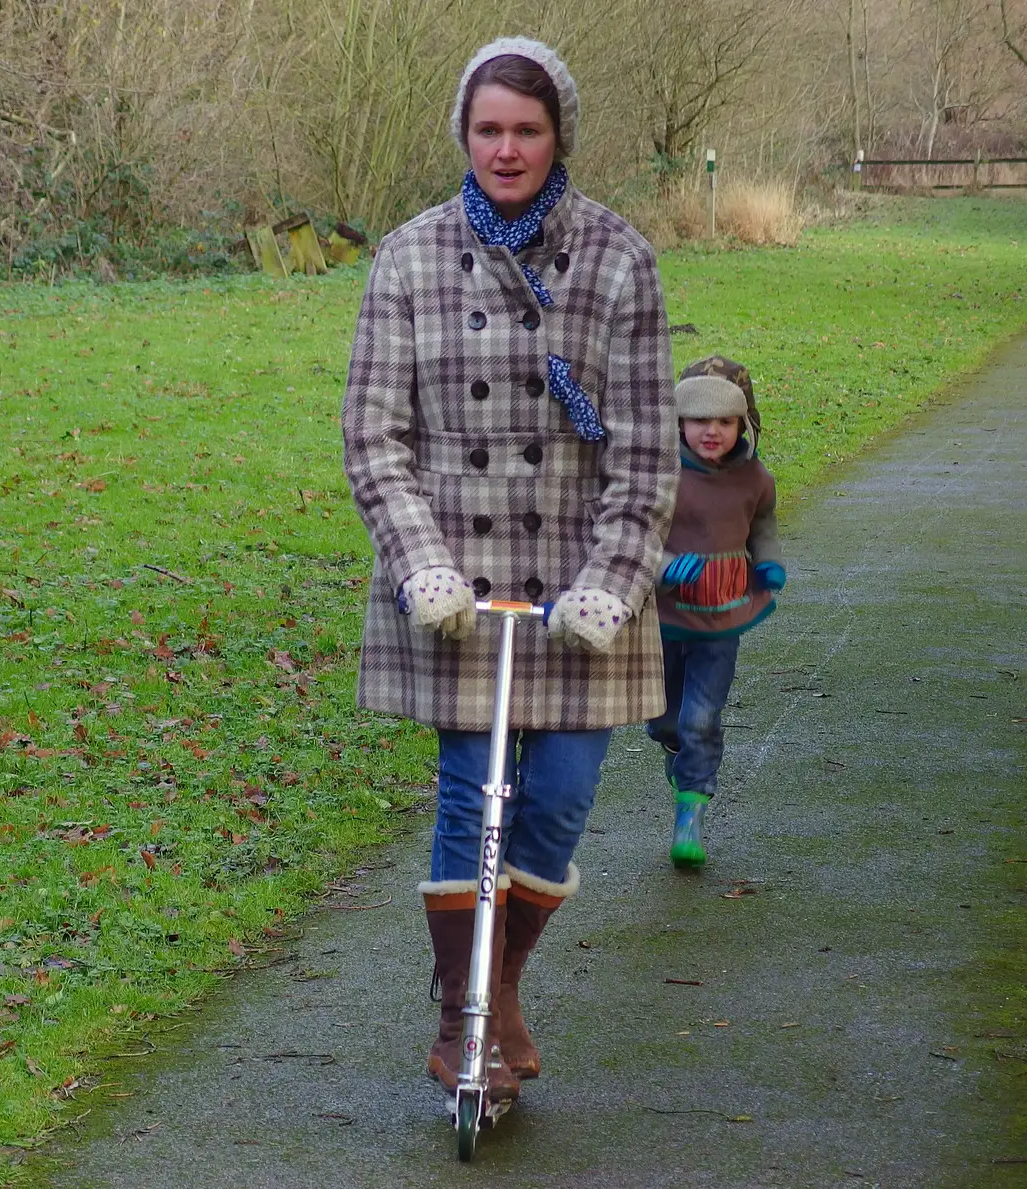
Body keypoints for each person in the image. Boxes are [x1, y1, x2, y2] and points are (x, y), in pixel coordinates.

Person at [340, 37, 678, 1111]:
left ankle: (492, 992)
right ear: (462, 134)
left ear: (557, 136)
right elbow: (372, 438)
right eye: (488, 128)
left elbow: (645, 447)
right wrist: (418, 569)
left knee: (562, 796)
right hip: (456, 579)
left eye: (526, 129)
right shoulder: (407, 256)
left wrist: (611, 583)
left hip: (579, 581)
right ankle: (465, 1027)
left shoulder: (619, 259)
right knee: (467, 794)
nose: (506, 147)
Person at [647, 357, 785, 868]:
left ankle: (691, 812)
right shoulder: (658, 476)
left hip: (724, 615)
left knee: (701, 716)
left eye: (725, 422)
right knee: (664, 718)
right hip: (661, 616)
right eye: (700, 421)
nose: (712, 432)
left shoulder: (754, 478)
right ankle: (678, 753)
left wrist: (768, 564)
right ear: (678, 423)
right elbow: (630, 532)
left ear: (742, 425)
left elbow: (763, 526)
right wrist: (663, 566)